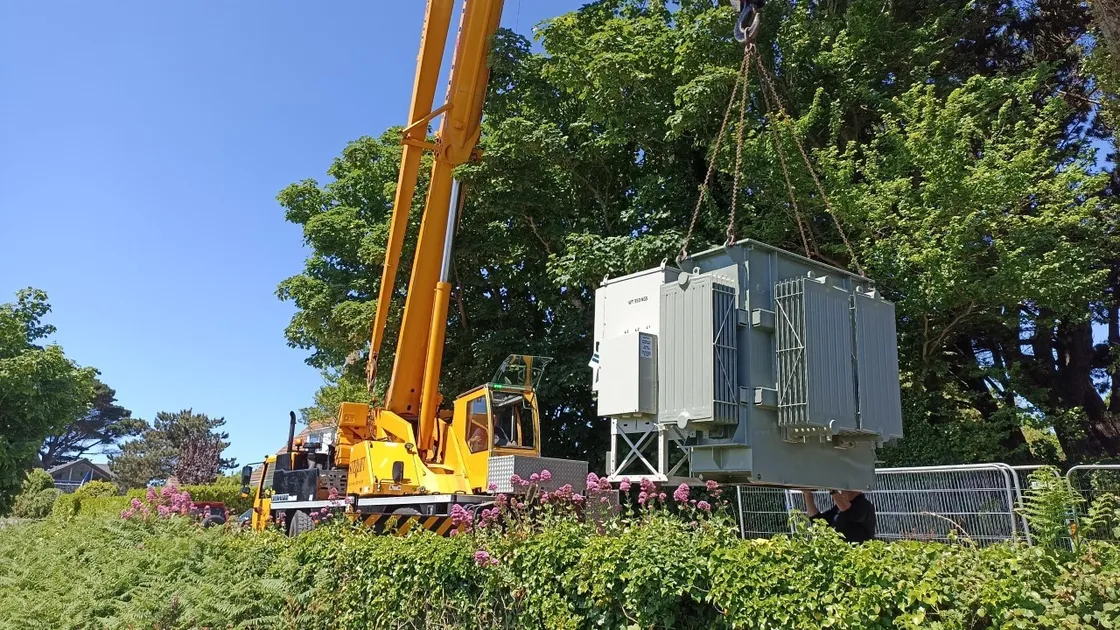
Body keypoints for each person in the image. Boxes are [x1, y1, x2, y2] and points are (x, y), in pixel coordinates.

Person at [800, 489, 876, 543]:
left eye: (843, 489)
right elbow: (818, 521)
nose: (841, 492)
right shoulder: (838, 509)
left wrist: (833, 491)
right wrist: (808, 494)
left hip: (859, 557)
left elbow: (850, 512)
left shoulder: (864, 506)